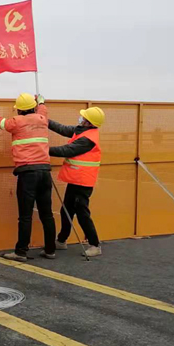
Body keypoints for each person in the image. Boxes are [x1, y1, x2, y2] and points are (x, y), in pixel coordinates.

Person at [0, 92, 57, 261]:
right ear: (34, 108)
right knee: (47, 214)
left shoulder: (16, 122)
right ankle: (50, 250)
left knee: (25, 215)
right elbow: (43, 110)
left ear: (19, 110)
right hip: (45, 172)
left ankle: (21, 252)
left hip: (27, 174)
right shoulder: (42, 119)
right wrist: (41, 101)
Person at [48, 107, 105, 257]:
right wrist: (44, 121)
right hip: (76, 179)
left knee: (82, 213)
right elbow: (62, 128)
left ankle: (95, 245)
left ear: (89, 122)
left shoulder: (88, 139)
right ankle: (61, 241)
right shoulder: (81, 131)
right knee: (66, 210)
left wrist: (43, 149)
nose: (81, 118)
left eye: (84, 117)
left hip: (83, 182)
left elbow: (67, 150)